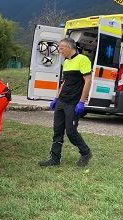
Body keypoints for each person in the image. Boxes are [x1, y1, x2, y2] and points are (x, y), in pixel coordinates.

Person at [39, 37, 92, 167]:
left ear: (69, 47)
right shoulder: (66, 62)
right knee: (57, 131)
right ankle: (55, 159)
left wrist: (81, 102)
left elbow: (88, 80)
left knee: (71, 131)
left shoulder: (83, 60)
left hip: (73, 103)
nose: (60, 51)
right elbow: (64, 82)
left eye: (61, 48)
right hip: (62, 101)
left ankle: (86, 152)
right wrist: (56, 98)